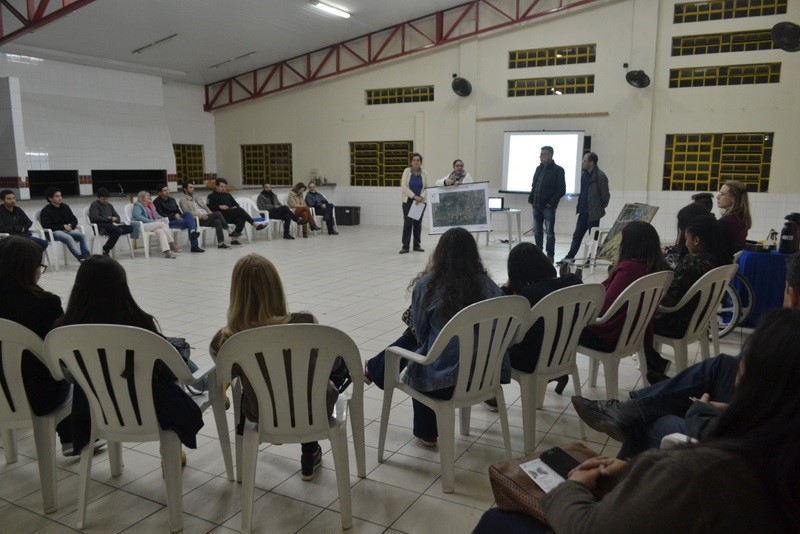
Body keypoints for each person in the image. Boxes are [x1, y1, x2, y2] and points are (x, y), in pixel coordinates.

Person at [476, 310, 800, 533]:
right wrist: (633, 470)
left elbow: (588, 529)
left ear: (752, 384)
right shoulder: (780, 461)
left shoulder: (698, 474)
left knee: (497, 523)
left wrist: (570, 487)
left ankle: (628, 412)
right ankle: (630, 414)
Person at [572, 250, 800, 459]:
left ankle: (620, 480)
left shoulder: (785, 337)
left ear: (793, 296)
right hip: (769, 424)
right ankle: (637, 407)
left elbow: (769, 428)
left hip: (758, 449)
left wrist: (702, 413)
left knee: (647, 423)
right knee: (722, 365)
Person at [58, 255, 204, 457]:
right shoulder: (139, 324)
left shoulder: (63, 329)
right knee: (174, 355)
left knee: (169, 349)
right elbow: (167, 370)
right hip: (149, 409)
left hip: (96, 411)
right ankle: (206, 384)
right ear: (121, 288)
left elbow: (67, 376)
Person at [209, 254, 326, 481]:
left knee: (252, 391)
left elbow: (228, 375)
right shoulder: (306, 323)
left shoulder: (225, 340)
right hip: (312, 409)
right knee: (305, 386)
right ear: (276, 287)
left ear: (236, 293)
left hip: (261, 412)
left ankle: (245, 465)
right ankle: (309, 452)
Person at [400, 227, 504, 445]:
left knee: (420, 359)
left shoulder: (427, 286)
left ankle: (427, 433)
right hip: (485, 376)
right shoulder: (491, 287)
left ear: (440, 253)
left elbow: (419, 333)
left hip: (441, 383)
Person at [0, 236, 88, 456]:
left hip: (2, 391)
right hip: (38, 397)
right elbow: (62, 351)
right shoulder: (46, 303)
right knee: (74, 371)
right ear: (28, 269)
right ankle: (72, 437)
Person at [578, 221, 671, 383]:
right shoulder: (659, 268)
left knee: (557, 325)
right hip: (634, 334)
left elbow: (604, 309)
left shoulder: (629, 269)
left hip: (609, 335)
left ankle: (552, 372)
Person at [654, 214, 735, 340]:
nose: (685, 243)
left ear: (696, 240)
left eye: (686, 239)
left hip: (677, 323)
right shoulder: (714, 261)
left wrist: (654, 288)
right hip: (699, 321)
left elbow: (670, 300)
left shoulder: (691, 262)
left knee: (640, 315)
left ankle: (652, 357)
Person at [562, 152, 609, 263]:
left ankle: (591, 258)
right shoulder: (584, 175)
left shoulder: (600, 176)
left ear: (591, 163)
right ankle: (570, 257)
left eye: (584, 161)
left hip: (593, 213)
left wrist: (598, 208)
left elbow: (605, 196)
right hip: (583, 212)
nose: (583, 163)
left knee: (593, 238)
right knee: (577, 235)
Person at [527, 146, 566, 263]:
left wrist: (551, 203)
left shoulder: (558, 170)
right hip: (536, 205)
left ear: (549, 155)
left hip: (548, 207)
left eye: (542, 154)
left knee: (549, 233)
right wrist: (531, 198)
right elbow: (534, 185)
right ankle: (538, 254)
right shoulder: (538, 169)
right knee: (537, 231)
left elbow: (561, 190)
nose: (540, 156)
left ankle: (550, 256)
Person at [206, 178, 267, 242]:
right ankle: (255, 224)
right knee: (239, 210)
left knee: (241, 219)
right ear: (217, 186)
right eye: (222, 187)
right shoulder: (211, 196)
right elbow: (208, 207)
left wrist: (232, 208)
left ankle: (234, 239)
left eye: (225, 187)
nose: (224, 188)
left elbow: (236, 205)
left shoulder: (228, 195)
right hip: (220, 216)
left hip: (229, 214)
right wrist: (219, 206)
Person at [39, 187, 90, 261]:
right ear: (50, 198)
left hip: (67, 230)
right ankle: (81, 258)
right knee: (69, 238)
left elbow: (74, 219)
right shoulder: (46, 211)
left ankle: (86, 257)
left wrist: (70, 225)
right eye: (57, 196)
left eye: (60, 196)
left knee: (82, 236)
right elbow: (47, 226)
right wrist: (63, 226)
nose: (60, 198)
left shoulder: (65, 207)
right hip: (54, 232)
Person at [179, 182, 232, 249]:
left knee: (217, 221)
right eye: (191, 187)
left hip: (206, 217)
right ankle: (228, 229)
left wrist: (211, 215)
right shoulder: (183, 200)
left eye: (193, 187)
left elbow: (206, 207)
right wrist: (201, 215)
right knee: (218, 213)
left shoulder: (197, 197)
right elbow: (187, 212)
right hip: (197, 220)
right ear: (185, 189)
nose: (193, 189)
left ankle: (220, 243)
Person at [153, 184, 203, 253]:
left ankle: (192, 232)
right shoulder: (156, 202)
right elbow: (161, 214)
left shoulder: (172, 200)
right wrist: (174, 216)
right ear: (160, 193)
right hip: (169, 221)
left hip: (178, 218)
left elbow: (178, 210)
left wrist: (179, 215)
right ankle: (194, 246)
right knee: (192, 222)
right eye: (164, 191)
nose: (167, 192)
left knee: (188, 214)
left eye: (167, 189)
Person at [131, 190, 181, 259]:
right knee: (162, 224)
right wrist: (151, 221)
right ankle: (172, 244)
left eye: (149, 195)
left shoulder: (151, 206)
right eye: (147, 196)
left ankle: (167, 252)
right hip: (141, 225)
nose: (150, 197)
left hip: (149, 225)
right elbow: (138, 216)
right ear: (142, 197)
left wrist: (162, 218)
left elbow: (157, 216)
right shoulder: (137, 205)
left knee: (161, 230)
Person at [87, 187, 136, 256]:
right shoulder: (94, 204)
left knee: (130, 228)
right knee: (117, 230)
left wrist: (116, 219)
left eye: (107, 199)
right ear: (98, 197)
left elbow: (117, 217)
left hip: (111, 226)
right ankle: (106, 249)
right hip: (100, 226)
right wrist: (108, 218)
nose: (106, 201)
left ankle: (108, 242)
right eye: (103, 199)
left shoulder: (109, 206)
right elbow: (94, 217)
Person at [399, 152, 429, 254]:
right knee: (408, 223)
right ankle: (405, 246)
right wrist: (414, 196)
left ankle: (417, 245)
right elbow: (403, 187)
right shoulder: (407, 171)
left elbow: (427, 187)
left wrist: (421, 197)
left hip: (420, 201)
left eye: (418, 160)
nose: (416, 162)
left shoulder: (424, 173)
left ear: (421, 162)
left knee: (418, 224)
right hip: (408, 201)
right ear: (411, 162)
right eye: (414, 160)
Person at [716, 179, 751, 247]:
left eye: (722, 194)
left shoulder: (727, 221)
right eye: (719, 193)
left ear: (733, 199)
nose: (717, 197)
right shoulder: (741, 218)